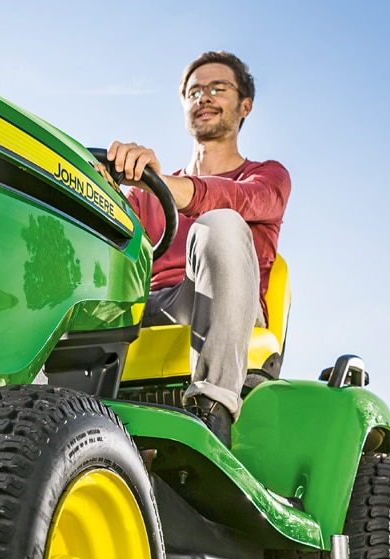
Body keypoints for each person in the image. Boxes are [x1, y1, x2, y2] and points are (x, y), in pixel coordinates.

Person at [101, 51, 290, 449]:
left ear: (245, 105)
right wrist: (107, 186)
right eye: (194, 91)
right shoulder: (147, 193)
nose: (203, 97)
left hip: (224, 305)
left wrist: (164, 184)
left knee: (220, 222)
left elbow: (234, 199)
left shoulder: (267, 176)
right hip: (149, 305)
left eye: (217, 88)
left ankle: (212, 409)